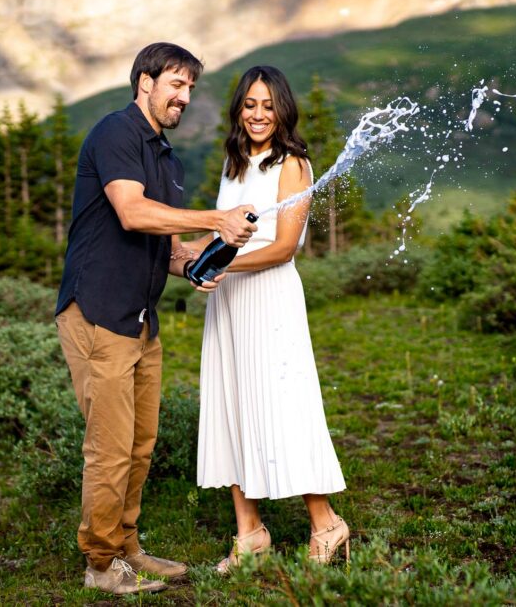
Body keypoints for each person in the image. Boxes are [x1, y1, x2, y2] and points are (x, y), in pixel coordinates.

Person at [54, 42, 258, 595]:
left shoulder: (165, 156)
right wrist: (216, 214)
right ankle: (100, 565)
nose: (185, 96)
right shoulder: (116, 133)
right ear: (144, 82)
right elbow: (130, 210)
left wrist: (202, 255)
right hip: (98, 314)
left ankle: (127, 547)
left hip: (142, 322)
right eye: (175, 83)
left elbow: (164, 245)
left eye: (190, 87)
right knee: (110, 447)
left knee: (140, 444)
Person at [182, 65, 350, 572]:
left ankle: (327, 523)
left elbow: (281, 248)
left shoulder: (293, 164)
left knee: (284, 405)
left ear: (282, 110)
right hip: (229, 304)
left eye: (268, 105)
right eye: (250, 104)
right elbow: (224, 233)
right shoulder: (234, 163)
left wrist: (220, 266)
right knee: (231, 402)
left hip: (270, 299)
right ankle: (249, 531)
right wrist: (193, 253)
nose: (258, 114)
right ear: (239, 109)